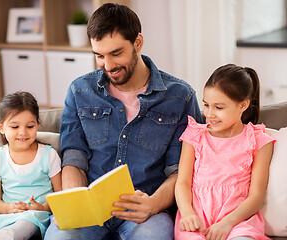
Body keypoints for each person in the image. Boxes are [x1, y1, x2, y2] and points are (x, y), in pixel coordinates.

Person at [44, 3, 202, 240]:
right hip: (91, 212)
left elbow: (181, 172)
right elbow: (73, 159)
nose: (108, 66)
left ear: (138, 42)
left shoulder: (180, 97)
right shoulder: (79, 91)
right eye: (99, 55)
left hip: (147, 211)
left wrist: (152, 205)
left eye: (116, 53)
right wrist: (75, 203)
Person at [174, 64, 275, 240]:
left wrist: (228, 223)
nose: (209, 114)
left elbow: (256, 195)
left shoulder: (258, 140)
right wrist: (187, 213)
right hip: (196, 217)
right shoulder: (194, 135)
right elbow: (182, 182)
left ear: (243, 105)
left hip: (238, 221)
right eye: (206, 105)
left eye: (218, 108)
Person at [0, 91, 62, 240]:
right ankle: (2, 235)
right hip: (9, 217)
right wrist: (8, 208)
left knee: (28, 219)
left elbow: (60, 194)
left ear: (37, 125)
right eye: (14, 127)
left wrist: (43, 207)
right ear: (1, 127)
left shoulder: (48, 155)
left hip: (40, 216)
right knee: (17, 223)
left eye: (30, 126)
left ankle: (7, 236)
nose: (23, 132)